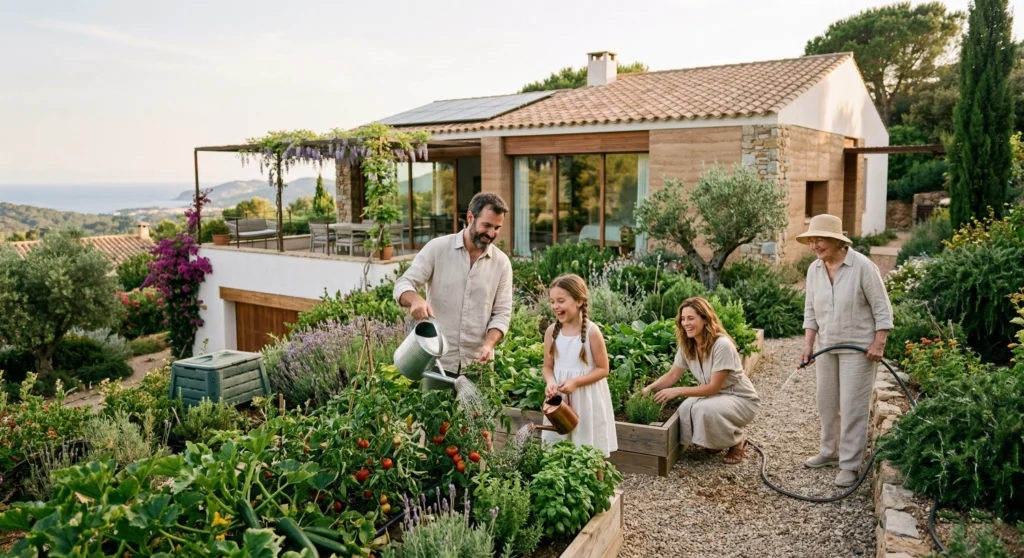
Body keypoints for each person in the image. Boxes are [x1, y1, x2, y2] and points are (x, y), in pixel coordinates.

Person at [798, 214, 893, 487]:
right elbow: (810, 312)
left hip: (858, 350)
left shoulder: (863, 267)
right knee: (826, 403)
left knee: (853, 407)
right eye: (812, 240)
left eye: (820, 239)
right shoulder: (815, 269)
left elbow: (882, 309)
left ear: (837, 241)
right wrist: (808, 346)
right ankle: (829, 452)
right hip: (826, 346)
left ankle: (850, 465)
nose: (815, 245)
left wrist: (879, 343)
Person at [393, 192, 513, 374]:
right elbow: (404, 283)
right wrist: (415, 299)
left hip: (478, 365)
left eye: (497, 228)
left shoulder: (501, 263)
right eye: (487, 225)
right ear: (470, 217)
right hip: (437, 361)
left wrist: (489, 345)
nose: (491, 233)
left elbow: (502, 313)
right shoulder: (437, 248)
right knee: (434, 404)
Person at [643, 297, 760, 465]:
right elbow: (672, 375)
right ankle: (717, 441)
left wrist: (677, 391)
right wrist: (649, 389)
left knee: (704, 409)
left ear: (705, 319)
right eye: (683, 319)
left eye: (691, 318)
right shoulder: (688, 344)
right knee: (685, 408)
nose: (686, 323)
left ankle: (737, 441)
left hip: (740, 398)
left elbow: (713, 388)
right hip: (717, 397)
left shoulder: (721, 345)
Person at [541, 274, 618, 457]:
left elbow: (603, 369)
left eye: (561, 301)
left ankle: (599, 485)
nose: (555, 306)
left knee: (589, 450)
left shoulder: (592, 332)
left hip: (586, 400)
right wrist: (550, 382)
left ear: (579, 301)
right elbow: (547, 367)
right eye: (552, 301)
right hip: (560, 402)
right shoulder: (552, 332)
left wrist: (576, 382)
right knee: (557, 449)